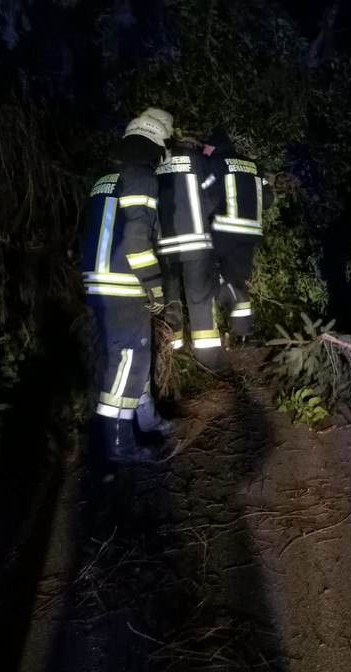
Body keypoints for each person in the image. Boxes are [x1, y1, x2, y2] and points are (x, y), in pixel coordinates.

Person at [81, 110, 175, 463]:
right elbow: (137, 239)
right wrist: (154, 287)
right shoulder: (141, 177)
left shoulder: (105, 179)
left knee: (135, 357)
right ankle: (118, 444)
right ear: (156, 146)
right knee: (127, 361)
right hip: (123, 283)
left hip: (100, 281)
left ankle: (147, 420)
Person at [155, 133, 230, 373]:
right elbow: (214, 195)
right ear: (189, 143)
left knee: (170, 298)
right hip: (196, 241)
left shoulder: (157, 159)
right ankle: (208, 358)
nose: (199, 148)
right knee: (200, 298)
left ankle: (173, 354)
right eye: (197, 145)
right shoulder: (198, 160)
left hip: (165, 245)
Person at [205, 127, 274, 344]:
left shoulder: (215, 163)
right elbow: (269, 198)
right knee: (238, 280)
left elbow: (206, 196)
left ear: (212, 147)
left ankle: (211, 325)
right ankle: (243, 334)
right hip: (251, 232)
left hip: (225, 229)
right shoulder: (254, 166)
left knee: (205, 271)